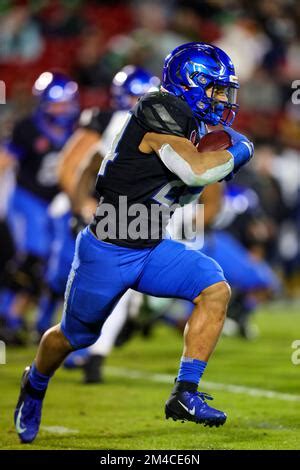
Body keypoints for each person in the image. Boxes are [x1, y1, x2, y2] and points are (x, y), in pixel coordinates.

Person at [14, 42, 254, 443]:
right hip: (108, 249)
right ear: (190, 82)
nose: (221, 99)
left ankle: (185, 393)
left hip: (151, 246)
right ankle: (35, 382)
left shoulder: (188, 122)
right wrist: (238, 152)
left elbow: (185, 188)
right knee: (73, 337)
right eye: (214, 89)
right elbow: (194, 172)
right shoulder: (159, 108)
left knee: (214, 288)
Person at [36, 66, 158, 383]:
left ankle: (92, 346)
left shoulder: (159, 127)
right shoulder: (107, 121)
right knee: (62, 277)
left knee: (116, 283)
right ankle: (45, 330)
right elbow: (71, 167)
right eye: (136, 96)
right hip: (82, 208)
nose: (141, 103)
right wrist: (82, 205)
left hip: (123, 215)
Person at [0, 72, 79, 341]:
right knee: (32, 257)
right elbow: (4, 161)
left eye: (66, 103)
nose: (62, 109)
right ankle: (7, 315)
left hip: (58, 203)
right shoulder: (27, 128)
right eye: (57, 103)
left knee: (59, 265)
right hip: (27, 199)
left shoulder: (79, 130)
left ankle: (39, 322)